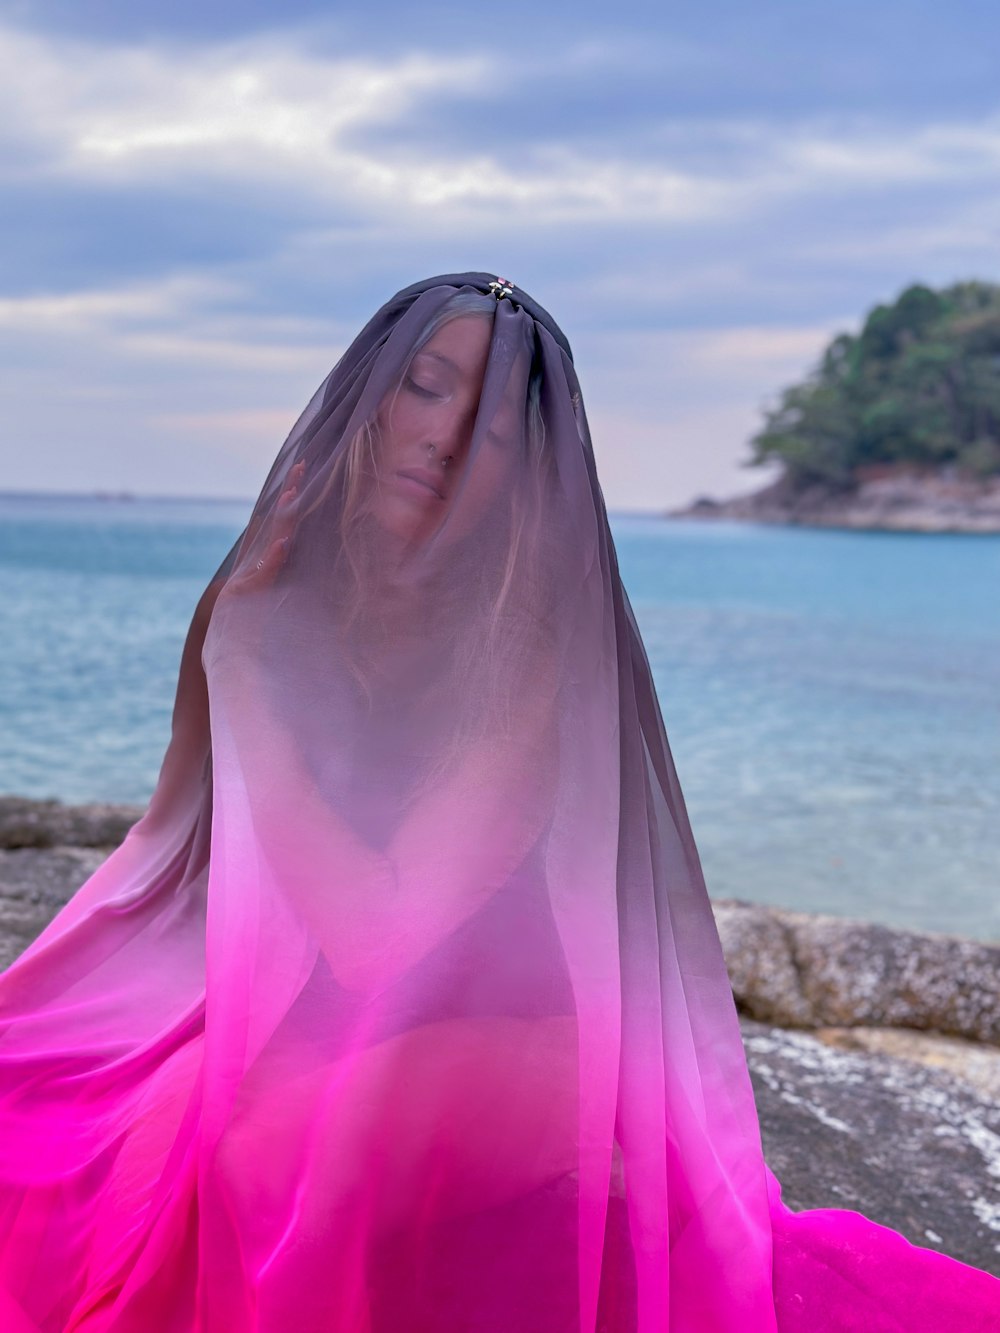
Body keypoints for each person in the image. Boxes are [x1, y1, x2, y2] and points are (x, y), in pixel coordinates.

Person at [0, 272, 997, 1332]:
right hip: (307, 1016)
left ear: (526, 475)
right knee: (68, 1130)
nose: (442, 436)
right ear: (365, 399)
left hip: (504, 1032)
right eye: (424, 388)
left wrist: (250, 668)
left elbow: (379, 944)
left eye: (491, 429)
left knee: (256, 1169)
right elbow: (171, 859)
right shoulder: (269, 595)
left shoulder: (526, 652)